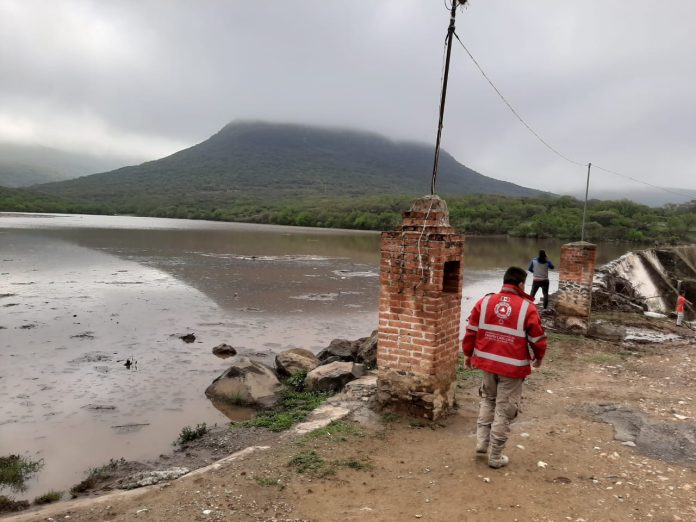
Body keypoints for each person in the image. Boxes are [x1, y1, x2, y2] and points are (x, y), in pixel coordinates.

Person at [462, 266, 547, 469]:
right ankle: (495, 456)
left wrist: (467, 353)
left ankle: (482, 443)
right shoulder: (527, 307)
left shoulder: (484, 302)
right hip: (511, 368)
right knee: (504, 408)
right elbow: (538, 338)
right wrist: (539, 358)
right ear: (520, 285)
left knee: (488, 400)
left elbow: (471, 331)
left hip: (487, 364)